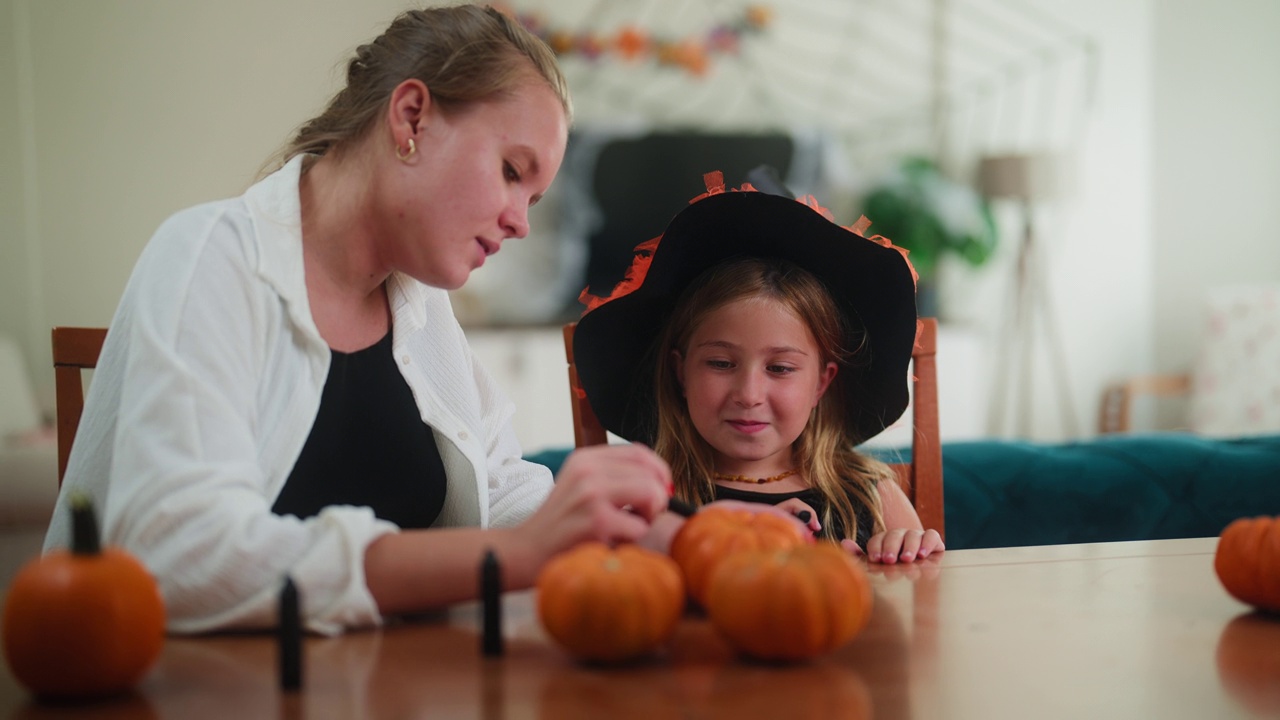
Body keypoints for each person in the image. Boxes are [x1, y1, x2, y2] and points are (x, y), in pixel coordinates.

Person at [43, 5, 673, 635]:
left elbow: (500, 489)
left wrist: (671, 530)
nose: (520, 222)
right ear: (412, 118)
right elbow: (183, 553)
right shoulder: (207, 257)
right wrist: (512, 556)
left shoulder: (421, 309)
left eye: (531, 198)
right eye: (511, 172)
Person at [572, 172, 945, 563]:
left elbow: (922, 597)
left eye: (780, 368)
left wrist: (905, 551)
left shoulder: (870, 492)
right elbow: (619, 589)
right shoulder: (649, 496)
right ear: (681, 372)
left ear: (821, 382)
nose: (749, 395)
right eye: (720, 363)